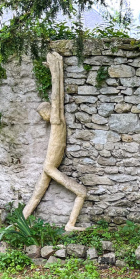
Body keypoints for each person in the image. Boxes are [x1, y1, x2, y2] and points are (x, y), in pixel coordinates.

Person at [22, 52, 88, 231]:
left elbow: (56, 99)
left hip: (49, 166)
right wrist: (55, 70)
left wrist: (56, 70)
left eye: (44, 113)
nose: (45, 117)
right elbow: (56, 99)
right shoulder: (56, 121)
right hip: (50, 167)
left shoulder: (57, 120)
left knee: (37, 195)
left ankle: (19, 223)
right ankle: (70, 225)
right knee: (81, 192)